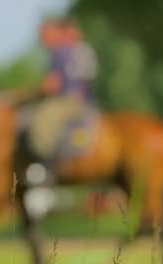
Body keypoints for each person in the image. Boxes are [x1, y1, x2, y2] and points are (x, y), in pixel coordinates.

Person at [22, 17, 99, 167]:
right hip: (84, 100)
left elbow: (52, 85)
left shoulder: (60, 52)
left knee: (41, 122)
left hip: (67, 100)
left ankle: (43, 166)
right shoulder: (81, 50)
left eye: (44, 34)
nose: (42, 39)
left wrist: (29, 93)